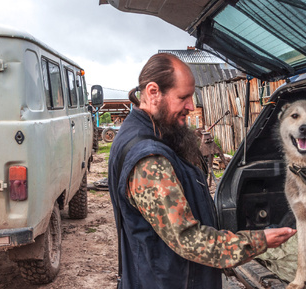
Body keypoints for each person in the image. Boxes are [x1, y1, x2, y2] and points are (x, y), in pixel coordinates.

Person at [108, 53, 296, 289]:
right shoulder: (148, 159)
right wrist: (259, 241)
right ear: (153, 92)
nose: (191, 106)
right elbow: (188, 240)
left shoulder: (154, 133)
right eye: (183, 97)